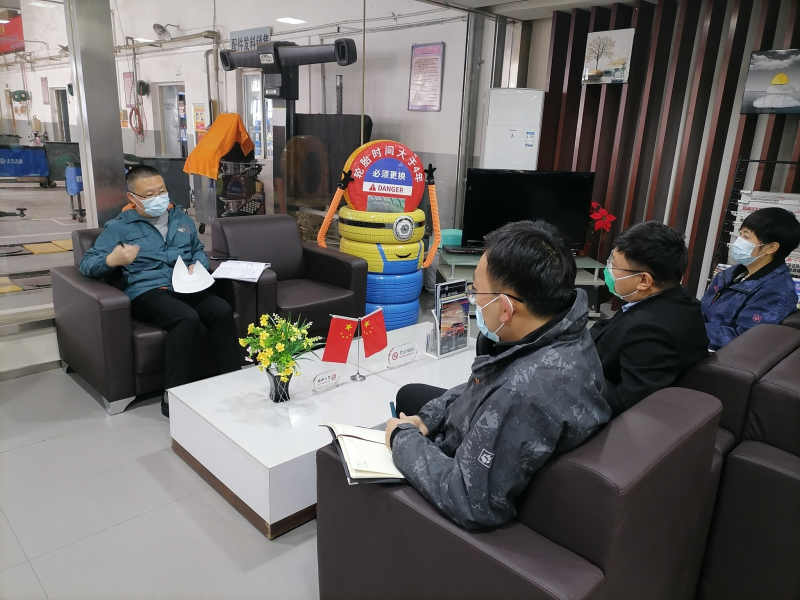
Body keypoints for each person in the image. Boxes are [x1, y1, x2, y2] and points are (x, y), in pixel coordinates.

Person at [384, 220, 611, 530]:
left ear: (505, 308)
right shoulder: (566, 328)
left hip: (469, 474)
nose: (474, 298)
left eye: (477, 291)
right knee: (412, 396)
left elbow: (469, 500)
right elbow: (485, 383)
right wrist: (428, 419)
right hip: (487, 432)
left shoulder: (522, 394)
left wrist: (402, 439)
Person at [79, 165, 241, 417]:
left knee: (221, 309)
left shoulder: (181, 219)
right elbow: (87, 264)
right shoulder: (119, 227)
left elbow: (197, 249)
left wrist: (198, 264)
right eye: (149, 194)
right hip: (147, 289)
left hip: (184, 285)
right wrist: (112, 260)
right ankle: (174, 395)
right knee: (186, 318)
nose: (158, 198)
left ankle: (231, 381)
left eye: (161, 191)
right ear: (132, 197)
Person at [591, 221, 709, 417]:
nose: (609, 269)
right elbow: (613, 324)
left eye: (615, 265)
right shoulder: (678, 297)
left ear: (644, 280)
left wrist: (578, 374)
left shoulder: (650, 331)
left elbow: (626, 403)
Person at [702, 207, 800, 350]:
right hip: (698, 342)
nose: (739, 241)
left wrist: (691, 329)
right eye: (740, 234)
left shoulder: (777, 292)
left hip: (722, 356)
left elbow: (746, 339)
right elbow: (702, 311)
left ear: (771, 247)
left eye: (746, 237)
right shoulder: (731, 273)